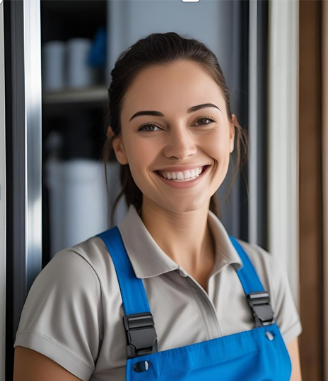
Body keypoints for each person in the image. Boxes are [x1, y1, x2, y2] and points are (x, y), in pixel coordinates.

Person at [13, 32, 302, 381]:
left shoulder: (265, 274)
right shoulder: (80, 281)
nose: (181, 148)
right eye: (150, 126)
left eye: (202, 121)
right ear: (120, 147)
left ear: (229, 132)